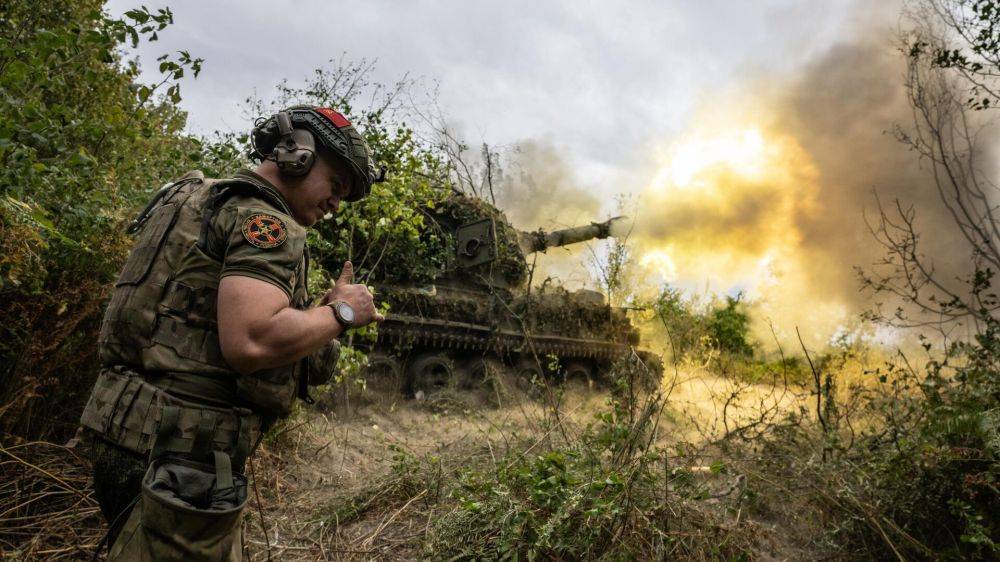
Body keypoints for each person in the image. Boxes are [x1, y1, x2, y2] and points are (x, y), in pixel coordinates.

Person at [78, 106, 384, 560]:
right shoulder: (266, 224)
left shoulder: (195, 197)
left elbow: (190, 316)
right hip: (182, 455)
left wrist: (313, 314)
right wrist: (341, 312)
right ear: (296, 155)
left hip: (127, 430)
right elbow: (251, 342)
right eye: (335, 185)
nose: (335, 204)